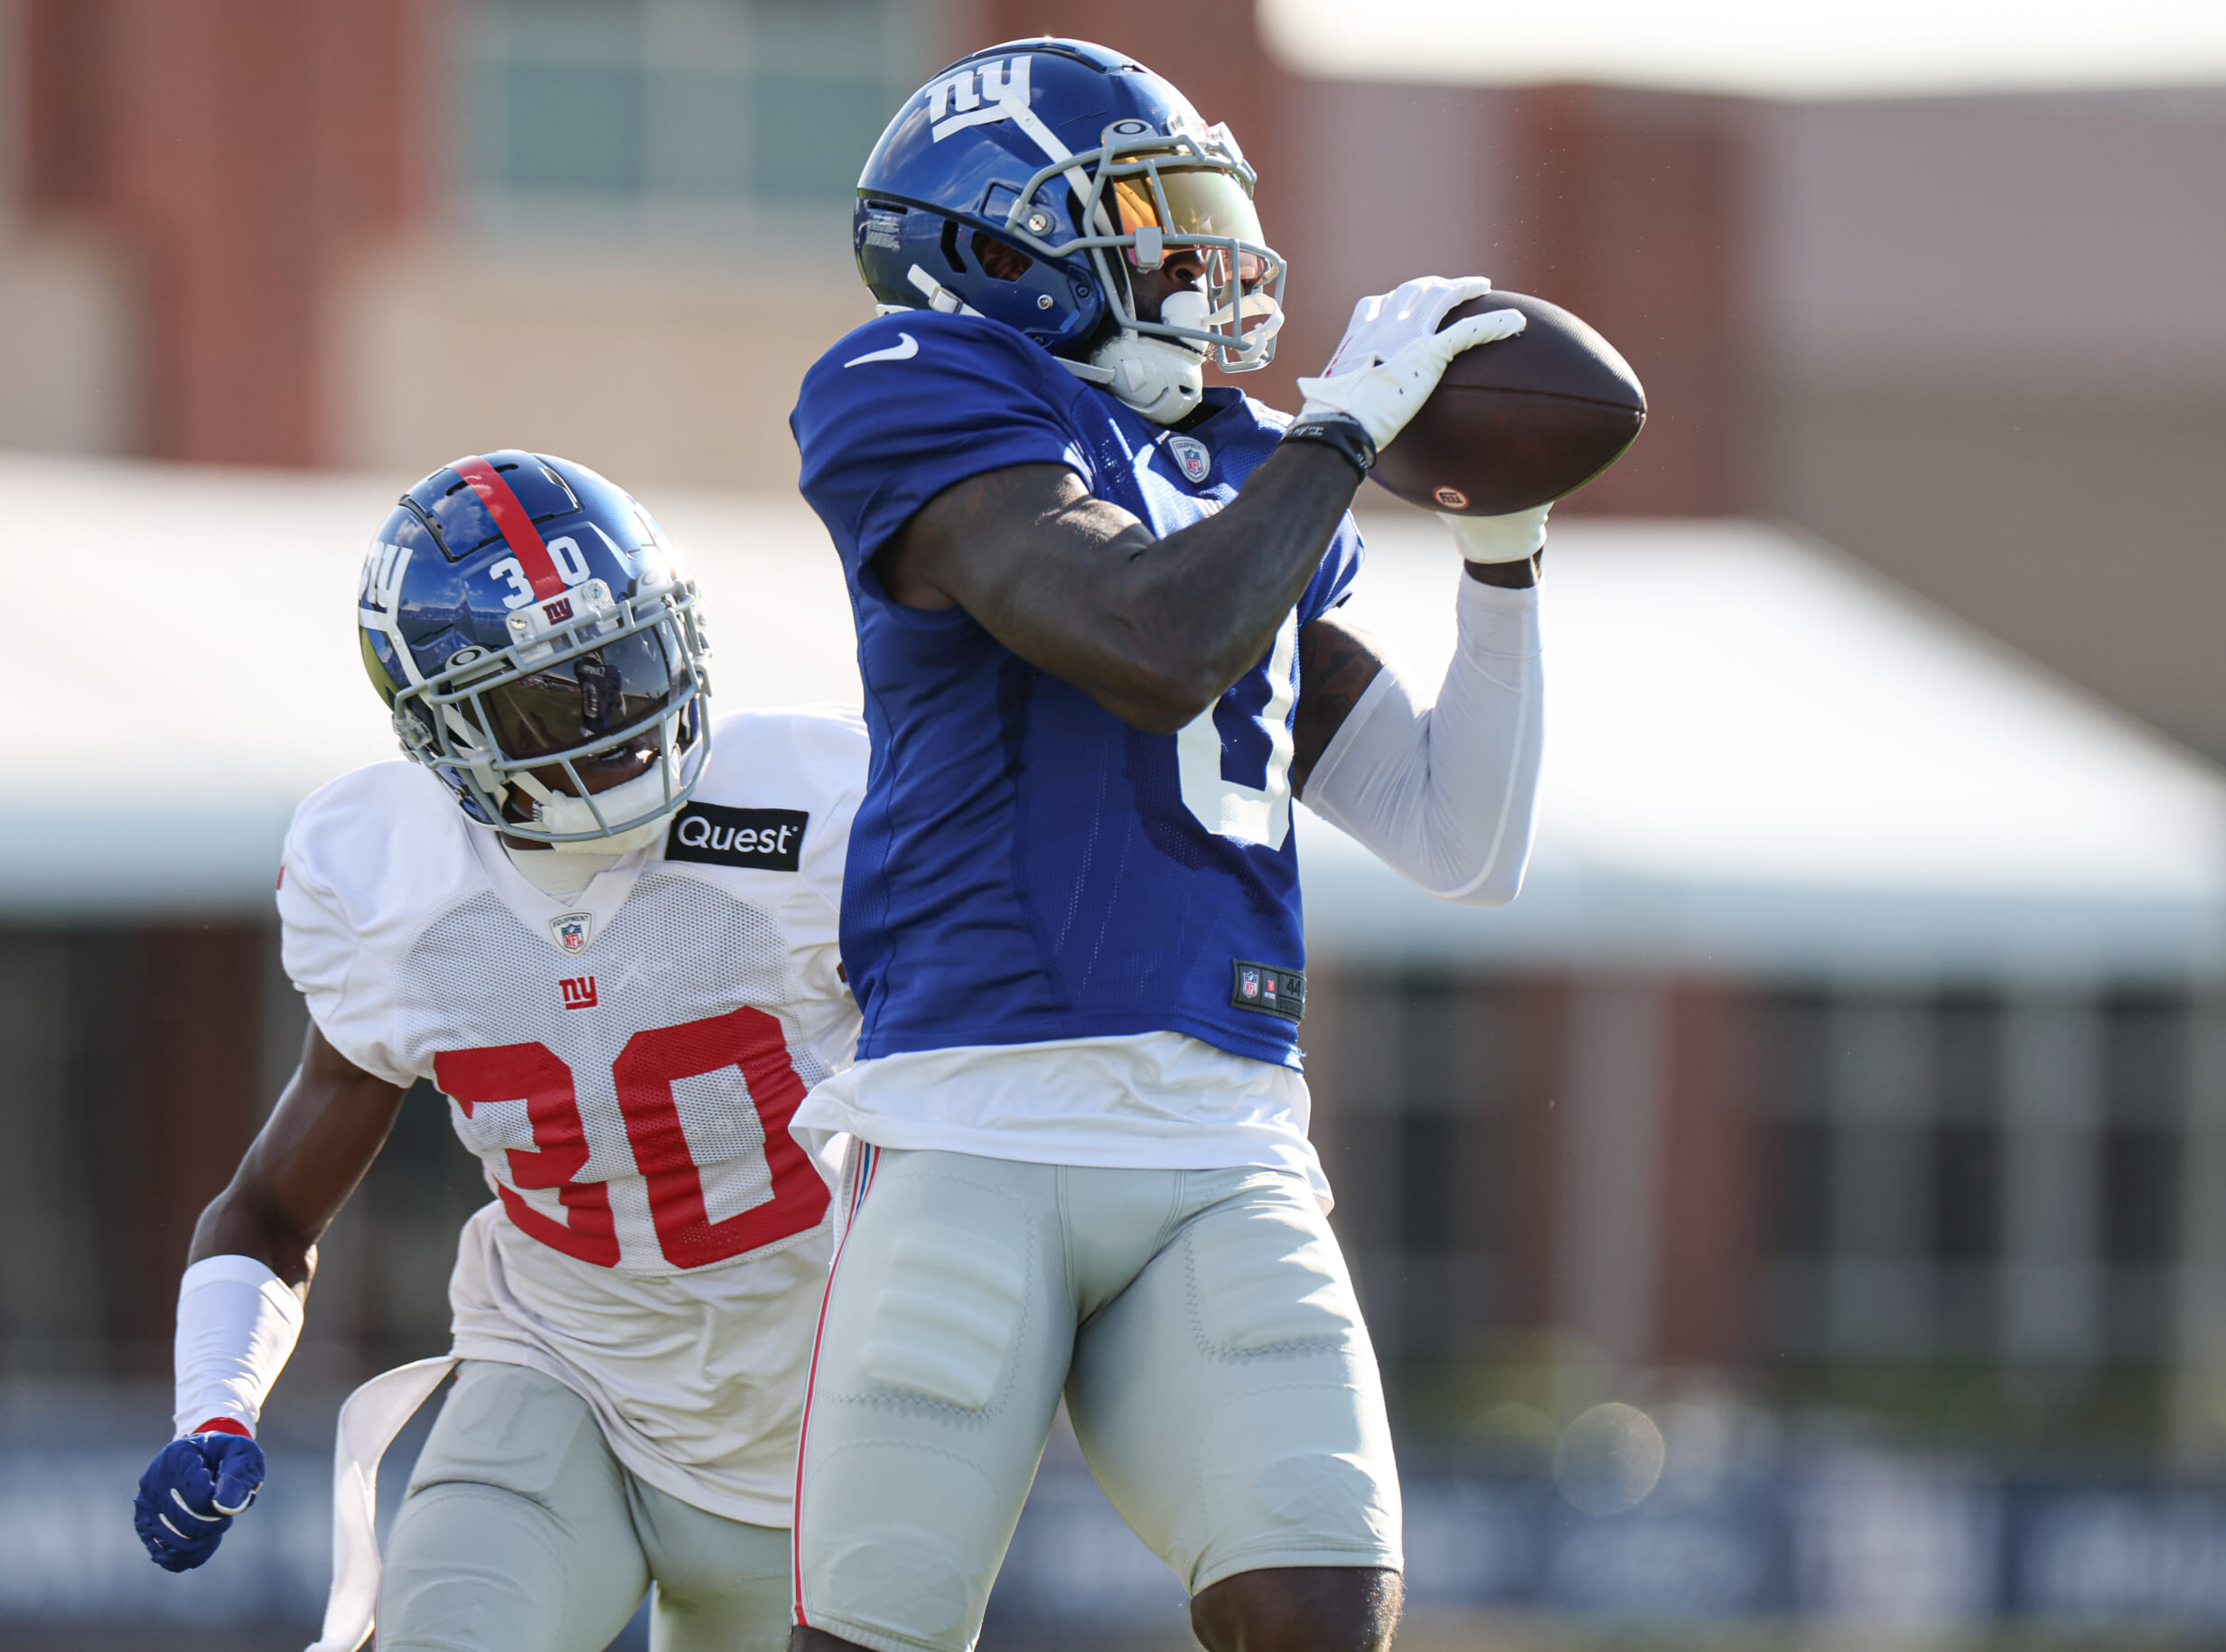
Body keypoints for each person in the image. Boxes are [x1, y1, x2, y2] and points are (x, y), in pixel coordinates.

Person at [785, 38, 1549, 1652]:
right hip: (974, 1119)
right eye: (1147, 214)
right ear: (996, 246)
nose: (1199, 259)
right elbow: (1150, 640)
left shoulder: (1242, 461)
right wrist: (1336, 440)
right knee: (874, 1635)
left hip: (1224, 1142)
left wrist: (1502, 558)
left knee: (1318, 1607)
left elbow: (1456, 837)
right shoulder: (917, 382)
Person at [129, 451, 867, 1652]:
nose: (615, 717)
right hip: (562, 1375)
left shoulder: (822, 803)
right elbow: (268, 1205)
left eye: (625, 658)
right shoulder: (392, 882)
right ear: (443, 732)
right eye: (549, 697)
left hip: (827, 1417)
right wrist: (217, 1404)